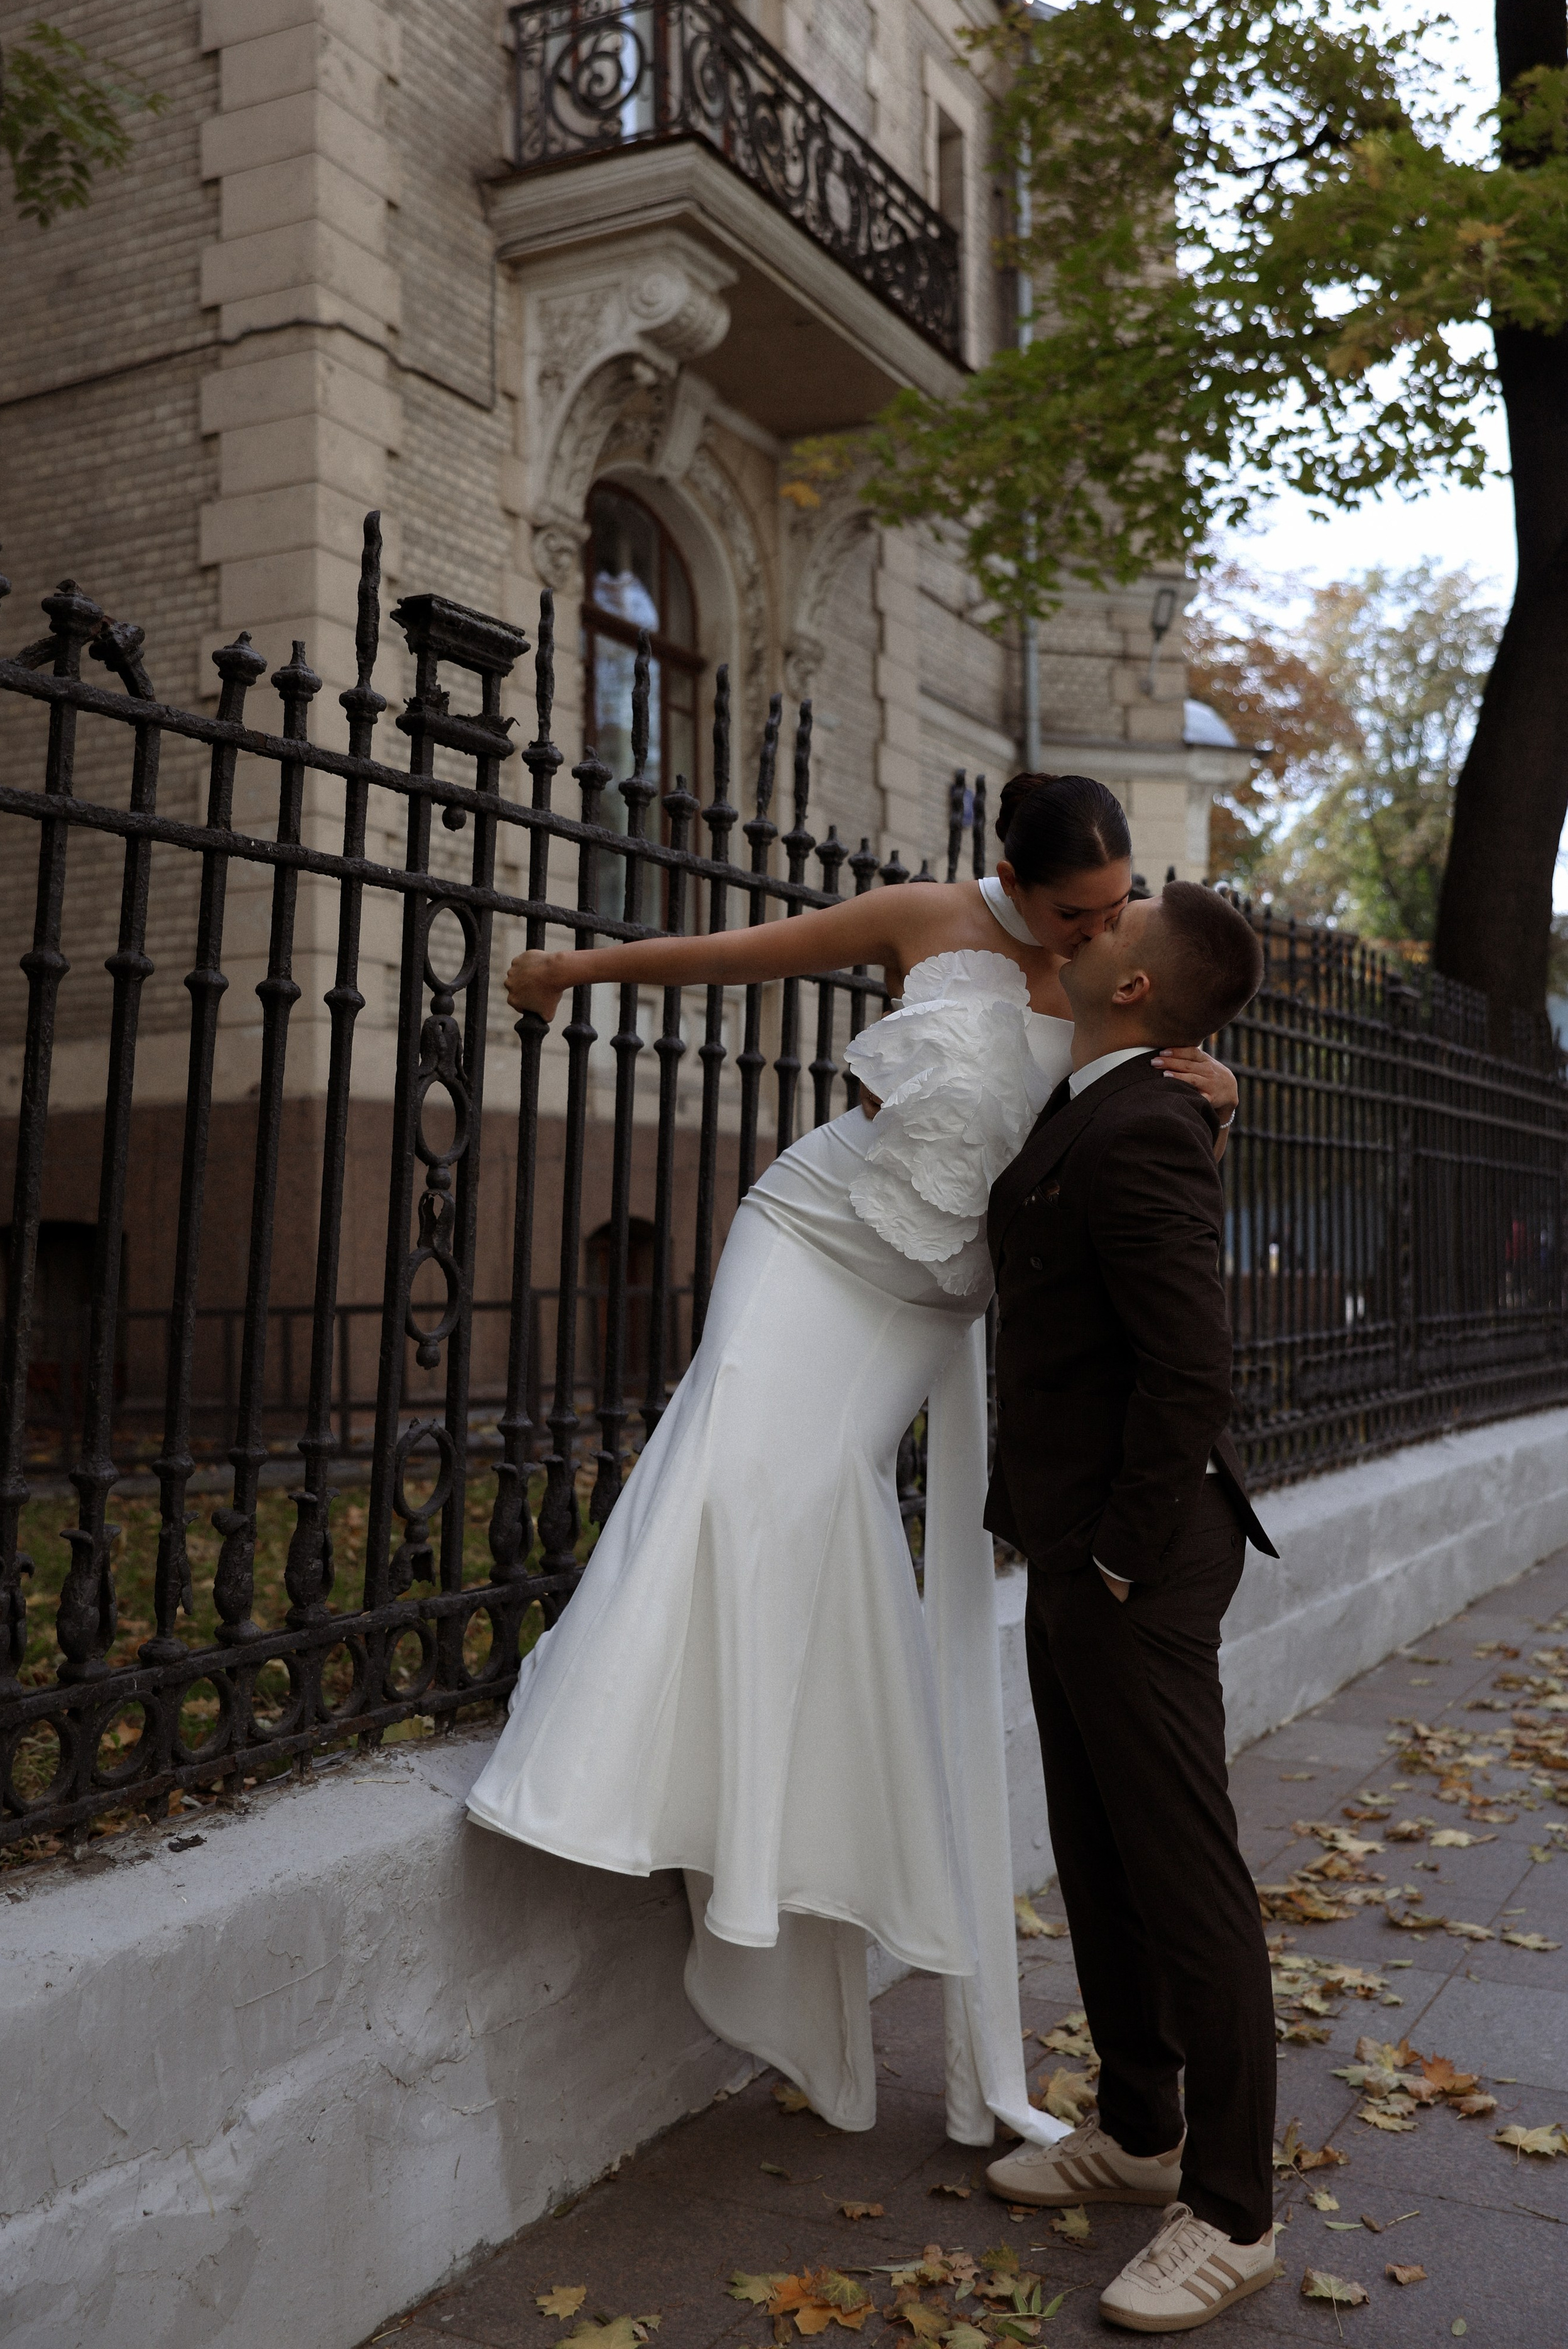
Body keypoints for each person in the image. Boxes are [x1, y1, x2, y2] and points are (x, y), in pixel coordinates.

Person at [465, 774, 1239, 2149]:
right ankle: (609, 1779)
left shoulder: (1122, 990)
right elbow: (739, 953)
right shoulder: (923, 917)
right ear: (1012, 877)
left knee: (820, 1509)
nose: (1099, 927)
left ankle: (768, 1856)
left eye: (1119, 908)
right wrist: (573, 966)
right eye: (1078, 908)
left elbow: (1141, 1128)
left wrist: (1219, 1095)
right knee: (723, 1470)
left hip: (920, 1301)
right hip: (808, 1232)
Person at [981, 881, 1278, 2332]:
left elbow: (1190, 1373)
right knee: (1097, 1856)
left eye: (1111, 925)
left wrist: (1110, 1557)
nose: (1085, 926)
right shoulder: (1120, 1095)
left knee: (1183, 1878)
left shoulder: (1141, 1122)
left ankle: (1230, 2212)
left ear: (1136, 990)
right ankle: (1142, 2134)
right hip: (1071, 1541)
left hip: (1133, 1559)